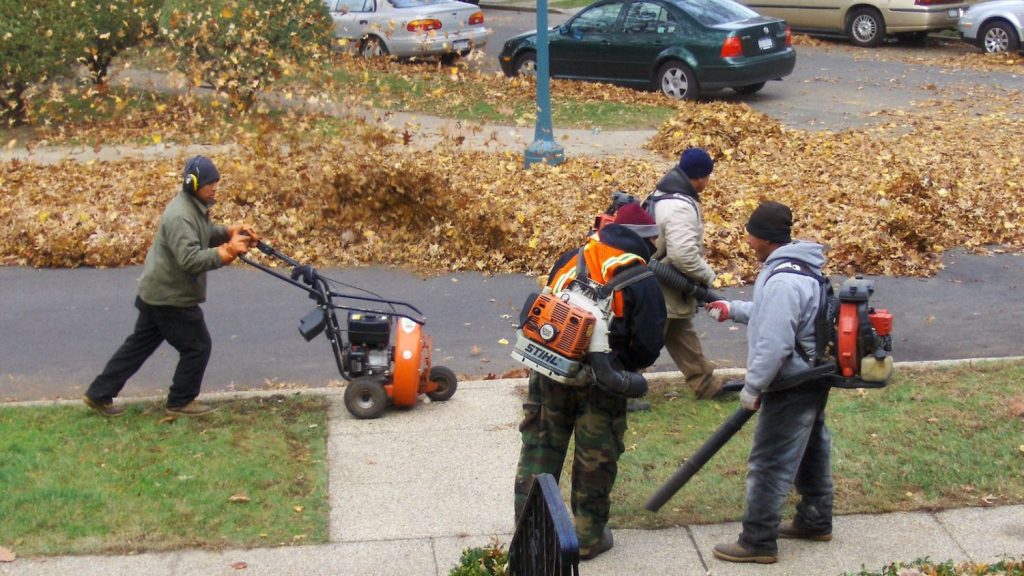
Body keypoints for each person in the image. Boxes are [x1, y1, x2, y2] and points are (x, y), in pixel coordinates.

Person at [514, 205, 665, 561]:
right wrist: (626, 368)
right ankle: (587, 537)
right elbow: (648, 346)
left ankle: (530, 535)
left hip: (550, 372)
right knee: (595, 459)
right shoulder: (642, 280)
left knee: (538, 453)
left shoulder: (572, 258)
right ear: (643, 240)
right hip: (605, 384)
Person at [704, 201, 833, 564]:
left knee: (770, 461)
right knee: (812, 449)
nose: (747, 240)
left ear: (762, 237)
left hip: (789, 382)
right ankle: (815, 519)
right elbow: (777, 318)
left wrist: (753, 388)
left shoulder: (783, 281)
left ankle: (757, 540)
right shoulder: (800, 270)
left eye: (749, 233)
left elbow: (775, 343)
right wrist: (733, 310)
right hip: (811, 376)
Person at [83, 155, 259, 418]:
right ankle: (180, 402)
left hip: (157, 292)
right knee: (198, 346)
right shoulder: (180, 216)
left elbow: (203, 233)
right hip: (170, 297)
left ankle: (98, 394)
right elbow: (190, 259)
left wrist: (229, 232)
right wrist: (226, 252)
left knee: (137, 347)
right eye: (209, 183)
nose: (214, 188)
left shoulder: (192, 207)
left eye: (216, 183)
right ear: (193, 184)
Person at [647, 147, 726, 400]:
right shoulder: (680, 207)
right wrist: (708, 276)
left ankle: (706, 386)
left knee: (681, 333)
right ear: (701, 177)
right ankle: (615, 392)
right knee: (645, 343)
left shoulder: (661, 193)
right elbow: (683, 256)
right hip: (665, 285)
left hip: (662, 282)